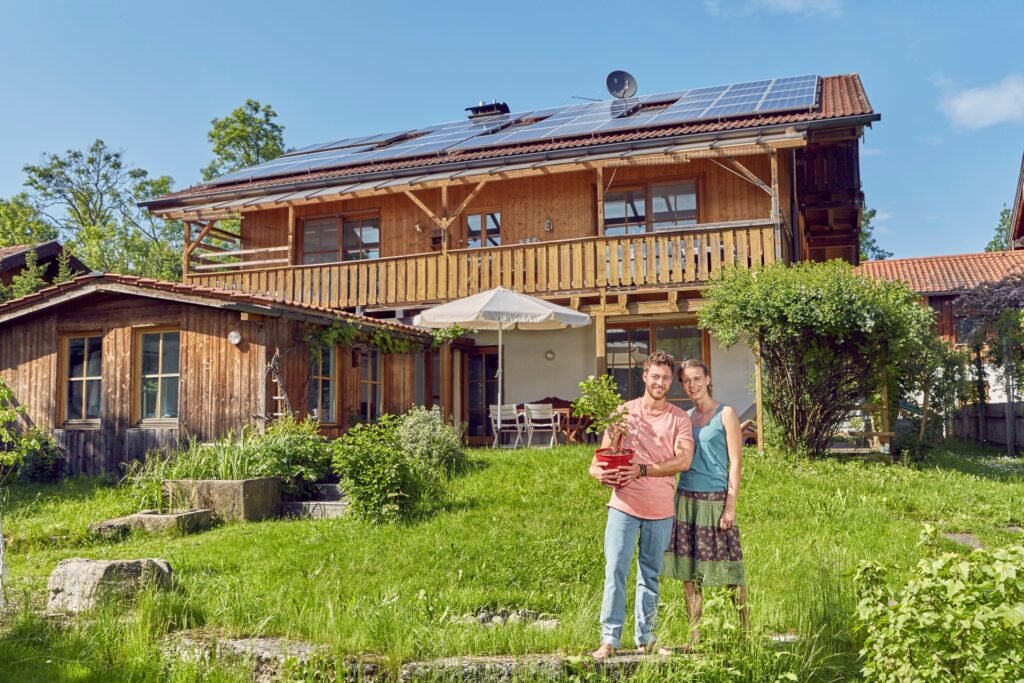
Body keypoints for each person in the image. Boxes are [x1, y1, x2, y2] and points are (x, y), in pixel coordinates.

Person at [589, 352, 694, 660]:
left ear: (670, 381)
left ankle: (645, 639)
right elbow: (597, 462)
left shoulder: (679, 418)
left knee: (649, 575)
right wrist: (602, 475)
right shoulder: (623, 412)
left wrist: (643, 469)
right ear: (644, 376)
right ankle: (609, 639)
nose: (659, 382)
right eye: (655, 376)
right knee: (616, 570)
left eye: (665, 378)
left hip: (661, 508)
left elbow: (684, 460)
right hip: (624, 504)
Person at [662, 358, 749, 649]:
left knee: (729, 571)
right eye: (686, 381)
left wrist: (730, 506)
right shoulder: (684, 418)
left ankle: (744, 632)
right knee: (689, 573)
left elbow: (736, 464)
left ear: (708, 379)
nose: (692, 385)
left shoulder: (726, 414)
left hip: (715, 500)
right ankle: (695, 637)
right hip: (686, 499)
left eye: (697, 379)